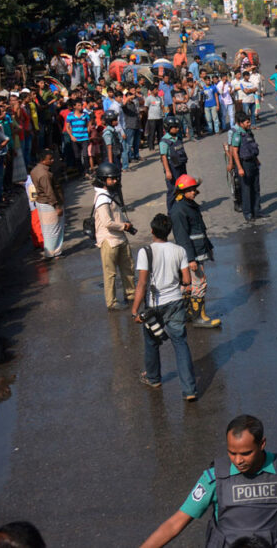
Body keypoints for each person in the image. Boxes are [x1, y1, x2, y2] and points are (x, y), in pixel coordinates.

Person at [138, 414, 277, 548]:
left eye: (245, 453)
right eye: (232, 453)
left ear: (262, 444)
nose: (238, 460)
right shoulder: (214, 478)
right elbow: (176, 522)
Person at [131, 213, 198, 401]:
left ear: (152, 231)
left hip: (154, 306)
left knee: (152, 341)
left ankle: (154, 378)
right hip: (176, 302)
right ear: (169, 231)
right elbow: (186, 279)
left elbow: (142, 284)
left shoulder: (145, 252)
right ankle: (189, 390)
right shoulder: (179, 250)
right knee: (180, 343)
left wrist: (135, 310)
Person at [169, 175, 222, 328]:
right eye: (190, 190)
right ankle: (199, 317)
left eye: (194, 189)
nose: (194, 192)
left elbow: (200, 228)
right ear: (182, 191)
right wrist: (190, 259)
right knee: (199, 284)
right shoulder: (179, 211)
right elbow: (182, 238)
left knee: (190, 286)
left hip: (198, 250)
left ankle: (188, 314)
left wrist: (208, 245)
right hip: (192, 255)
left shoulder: (190, 205)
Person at [93, 163, 135, 311]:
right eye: (112, 179)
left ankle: (130, 294)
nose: (115, 181)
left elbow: (117, 215)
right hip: (109, 240)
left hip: (120, 238)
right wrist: (124, 226)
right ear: (103, 179)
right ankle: (111, 302)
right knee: (110, 274)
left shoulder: (110, 194)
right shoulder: (101, 199)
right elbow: (107, 223)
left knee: (128, 267)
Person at [29, 149, 64, 259]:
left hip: (42, 203)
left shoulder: (35, 170)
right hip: (49, 204)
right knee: (54, 229)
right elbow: (49, 191)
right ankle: (54, 252)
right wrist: (56, 206)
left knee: (47, 229)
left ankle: (51, 251)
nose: (52, 161)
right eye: (50, 159)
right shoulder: (45, 174)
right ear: (43, 160)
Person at [228, 112, 262, 221]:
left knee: (256, 188)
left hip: (253, 162)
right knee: (246, 190)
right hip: (244, 164)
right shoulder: (237, 135)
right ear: (241, 123)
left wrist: (257, 161)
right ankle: (248, 214)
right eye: (247, 122)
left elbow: (252, 148)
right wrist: (240, 168)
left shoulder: (249, 133)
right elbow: (234, 152)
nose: (249, 123)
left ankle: (257, 211)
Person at [159, 116, 188, 211]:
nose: (177, 129)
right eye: (174, 127)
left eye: (177, 126)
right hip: (172, 168)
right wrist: (168, 171)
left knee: (183, 187)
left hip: (181, 166)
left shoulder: (178, 137)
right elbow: (163, 157)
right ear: (168, 127)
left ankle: (184, 207)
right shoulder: (164, 142)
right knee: (172, 190)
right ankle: (171, 212)